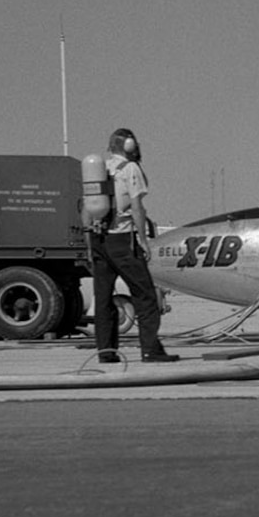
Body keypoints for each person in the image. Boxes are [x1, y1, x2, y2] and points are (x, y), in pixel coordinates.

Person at [91, 127, 177, 364]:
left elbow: (84, 209)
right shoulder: (130, 169)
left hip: (98, 241)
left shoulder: (100, 169)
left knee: (103, 299)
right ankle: (150, 350)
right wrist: (143, 240)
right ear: (129, 146)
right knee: (146, 296)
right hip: (123, 240)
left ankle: (106, 353)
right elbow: (137, 207)